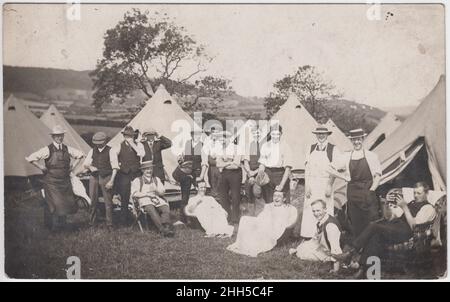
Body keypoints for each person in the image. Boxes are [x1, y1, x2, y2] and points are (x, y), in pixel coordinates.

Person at [341, 182, 437, 278]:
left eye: (419, 193)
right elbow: (393, 217)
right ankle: (363, 269)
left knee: (374, 226)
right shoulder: (411, 203)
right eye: (414, 193)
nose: (416, 196)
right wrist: (387, 207)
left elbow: (414, 227)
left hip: (407, 232)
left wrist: (404, 207)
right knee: (375, 236)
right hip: (396, 227)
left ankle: (351, 252)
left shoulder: (428, 208)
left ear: (426, 193)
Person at [26, 125, 84, 231]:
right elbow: (31, 158)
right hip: (51, 181)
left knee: (65, 203)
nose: (59, 138)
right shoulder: (47, 149)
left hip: (64, 181)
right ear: (53, 137)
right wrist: (41, 167)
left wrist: (73, 167)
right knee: (54, 203)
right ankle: (51, 226)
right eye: (57, 136)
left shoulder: (67, 148)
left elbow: (80, 155)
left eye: (61, 135)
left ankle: (63, 226)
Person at [301, 126, 343, 239]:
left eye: (323, 134)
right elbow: (307, 169)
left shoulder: (333, 149)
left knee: (325, 208)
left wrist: (329, 185)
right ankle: (309, 235)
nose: (321, 136)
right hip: (312, 182)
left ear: (327, 135)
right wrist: (307, 186)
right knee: (310, 208)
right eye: (318, 134)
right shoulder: (310, 148)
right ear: (316, 135)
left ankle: (324, 236)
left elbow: (335, 170)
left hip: (325, 183)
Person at [226, 191, 297, 257]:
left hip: (275, 230)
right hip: (263, 225)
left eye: (279, 196)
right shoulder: (269, 206)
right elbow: (260, 217)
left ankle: (254, 244)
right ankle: (243, 243)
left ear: (284, 199)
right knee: (245, 219)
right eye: (274, 196)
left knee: (268, 221)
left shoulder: (288, 209)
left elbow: (289, 222)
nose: (276, 198)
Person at [343, 128, 382, 238]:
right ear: (351, 141)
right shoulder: (346, 156)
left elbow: (377, 176)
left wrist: (371, 191)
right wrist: (342, 177)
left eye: (359, 139)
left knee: (370, 219)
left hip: (367, 191)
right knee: (355, 219)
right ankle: (358, 247)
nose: (356, 142)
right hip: (352, 192)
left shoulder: (371, 155)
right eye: (354, 140)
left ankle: (371, 245)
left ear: (363, 139)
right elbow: (331, 168)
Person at [290, 199, 344, 273]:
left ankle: (327, 259)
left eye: (318, 211)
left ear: (325, 209)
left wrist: (336, 269)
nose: (316, 213)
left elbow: (336, 248)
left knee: (303, 254)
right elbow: (315, 238)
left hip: (330, 251)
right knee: (302, 247)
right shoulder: (322, 220)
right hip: (323, 246)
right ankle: (300, 250)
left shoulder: (330, 226)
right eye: (314, 211)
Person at [82, 132, 118, 230]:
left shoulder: (111, 151)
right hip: (94, 177)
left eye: (100, 142)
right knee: (93, 200)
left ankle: (109, 224)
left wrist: (111, 181)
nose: (98, 144)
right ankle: (92, 223)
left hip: (106, 176)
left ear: (104, 141)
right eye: (96, 142)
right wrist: (90, 166)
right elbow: (85, 164)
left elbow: (115, 168)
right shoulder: (92, 151)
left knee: (108, 202)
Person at [131, 161, 174, 237]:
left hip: (155, 197)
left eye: (150, 168)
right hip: (144, 199)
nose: (149, 171)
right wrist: (146, 194)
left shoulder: (156, 179)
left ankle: (166, 227)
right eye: (146, 169)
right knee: (150, 207)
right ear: (142, 170)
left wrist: (156, 190)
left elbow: (162, 192)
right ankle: (162, 229)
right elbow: (134, 193)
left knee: (165, 207)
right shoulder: (137, 180)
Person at [114, 126, 145, 226]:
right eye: (126, 136)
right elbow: (113, 155)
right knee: (124, 197)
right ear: (124, 136)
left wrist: (132, 144)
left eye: (130, 136)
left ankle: (142, 219)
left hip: (136, 173)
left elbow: (141, 154)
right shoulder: (119, 145)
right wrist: (118, 164)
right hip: (124, 174)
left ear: (133, 136)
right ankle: (124, 221)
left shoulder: (139, 145)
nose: (129, 138)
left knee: (139, 195)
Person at [173, 128, 204, 223]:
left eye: (199, 135)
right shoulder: (187, 144)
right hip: (186, 173)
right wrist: (180, 159)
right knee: (185, 196)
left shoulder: (203, 146)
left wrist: (201, 176)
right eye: (195, 135)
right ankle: (183, 219)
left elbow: (205, 163)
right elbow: (181, 156)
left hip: (197, 173)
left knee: (199, 195)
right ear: (192, 135)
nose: (197, 136)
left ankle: (200, 218)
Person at [257, 124, 294, 204]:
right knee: (269, 202)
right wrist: (261, 174)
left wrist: (281, 185)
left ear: (281, 134)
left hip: (281, 175)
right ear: (270, 133)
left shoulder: (286, 146)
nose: (275, 136)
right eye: (273, 134)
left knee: (282, 202)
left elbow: (287, 169)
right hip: (268, 175)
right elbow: (262, 164)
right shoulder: (265, 146)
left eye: (278, 134)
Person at [217, 131, 244, 224]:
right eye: (220, 139)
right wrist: (229, 162)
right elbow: (218, 164)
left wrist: (224, 164)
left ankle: (235, 218)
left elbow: (236, 165)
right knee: (223, 195)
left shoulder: (237, 148)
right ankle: (227, 216)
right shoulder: (220, 149)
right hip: (224, 173)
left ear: (229, 138)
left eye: (223, 139)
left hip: (235, 173)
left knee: (235, 195)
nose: (221, 141)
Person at [242, 121, 264, 216]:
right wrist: (249, 173)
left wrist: (254, 173)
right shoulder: (248, 145)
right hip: (250, 172)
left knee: (258, 193)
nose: (256, 134)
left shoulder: (264, 145)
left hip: (260, 172)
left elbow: (263, 163)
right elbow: (246, 161)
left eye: (258, 132)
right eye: (255, 133)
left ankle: (260, 215)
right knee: (249, 194)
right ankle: (251, 216)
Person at [199, 127, 223, 199]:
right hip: (211, 163)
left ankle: (219, 195)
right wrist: (210, 155)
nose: (215, 134)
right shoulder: (207, 140)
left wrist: (218, 155)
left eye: (217, 133)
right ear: (211, 133)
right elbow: (205, 151)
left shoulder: (220, 141)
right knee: (212, 179)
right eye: (214, 132)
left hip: (219, 163)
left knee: (220, 179)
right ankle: (213, 193)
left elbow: (223, 150)